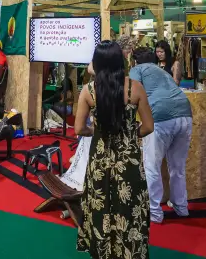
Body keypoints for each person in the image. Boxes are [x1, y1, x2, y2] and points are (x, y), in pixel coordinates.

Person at [75, 41, 153, 259]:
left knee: (100, 207)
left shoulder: (89, 91)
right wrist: (129, 134)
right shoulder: (135, 88)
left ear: (97, 62)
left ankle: (103, 252)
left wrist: (96, 131)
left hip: (100, 160)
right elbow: (148, 127)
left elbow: (79, 128)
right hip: (129, 161)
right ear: (122, 60)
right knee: (130, 208)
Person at [131, 47, 193, 223]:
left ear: (135, 61)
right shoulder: (162, 71)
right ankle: (182, 207)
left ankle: (155, 213)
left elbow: (133, 94)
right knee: (178, 168)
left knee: (152, 166)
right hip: (185, 114)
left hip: (160, 118)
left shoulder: (137, 70)